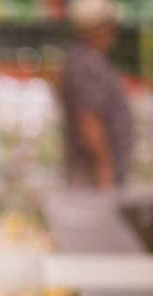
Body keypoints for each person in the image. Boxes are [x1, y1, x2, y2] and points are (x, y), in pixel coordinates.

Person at [60, 0, 132, 189]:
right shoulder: (87, 64)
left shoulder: (88, 60)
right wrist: (105, 168)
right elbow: (88, 119)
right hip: (94, 179)